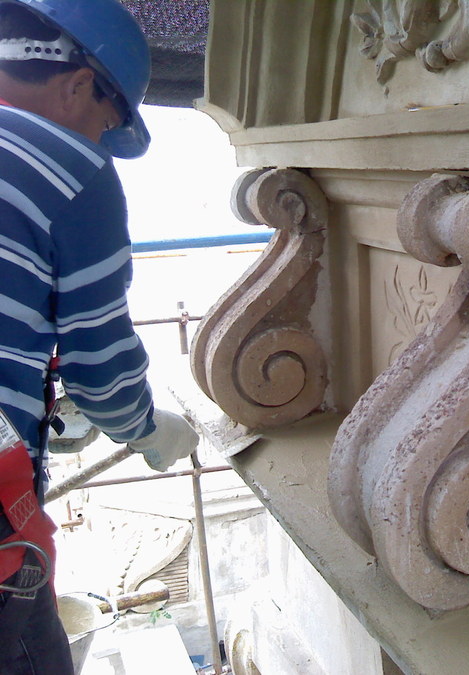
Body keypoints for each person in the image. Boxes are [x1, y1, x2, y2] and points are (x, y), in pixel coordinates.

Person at [0, 1, 199, 672]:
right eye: (107, 125)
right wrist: (144, 427)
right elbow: (102, 366)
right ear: (79, 85)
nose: (99, 143)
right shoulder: (71, 169)